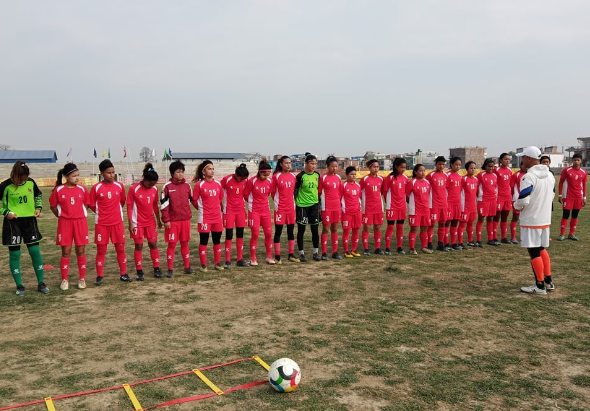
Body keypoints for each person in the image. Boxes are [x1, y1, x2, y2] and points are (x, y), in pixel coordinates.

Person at [0, 161, 48, 296]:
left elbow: (38, 195)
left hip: (29, 222)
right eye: (21, 178)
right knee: (15, 254)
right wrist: (6, 212)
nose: (24, 180)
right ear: (15, 175)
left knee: (35, 251)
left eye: (26, 177)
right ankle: (19, 285)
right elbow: (2, 207)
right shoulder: (5, 186)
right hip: (12, 223)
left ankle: (41, 283)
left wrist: (38, 208)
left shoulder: (31, 182)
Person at [513, 146, 555, 295]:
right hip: (544, 218)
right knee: (541, 248)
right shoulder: (550, 175)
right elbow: (552, 195)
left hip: (531, 219)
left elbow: (523, 200)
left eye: (524, 157)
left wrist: (515, 205)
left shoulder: (528, 177)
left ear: (529, 159)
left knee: (533, 251)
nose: (522, 160)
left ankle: (540, 285)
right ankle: (548, 281)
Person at [49, 163, 90, 290]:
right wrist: (61, 215)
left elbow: (87, 204)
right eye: (74, 176)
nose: (77, 178)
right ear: (66, 177)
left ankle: (82, 279)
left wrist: (79, 214)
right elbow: (53, 206)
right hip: (65, 223)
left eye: (78, 175)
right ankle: (64, 280)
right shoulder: (59, 190)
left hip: (80, 223)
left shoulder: (82, 189)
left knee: (80, 251)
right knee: (66, 252)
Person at [89, 159, 130, 285]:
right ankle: (99, 276)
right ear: (102, 173)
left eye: (113, 172)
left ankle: (123, 274)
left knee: (120, 248)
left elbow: (122, 201)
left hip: (117, 223)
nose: (112, 175)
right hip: (102, 224)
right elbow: (92, 205)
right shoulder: (96, 188)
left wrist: (114, 213)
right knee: (101, 250)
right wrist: (103, 213)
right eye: (108, 173)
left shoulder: (119, 186)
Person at [127, 163, 163, 281]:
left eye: (153, 184)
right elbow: (129, 207)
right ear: (144, 180)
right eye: (149, 184)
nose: (151, 186)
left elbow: (155, 205)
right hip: (137, 223)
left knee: (153, 244)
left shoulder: (154, 188)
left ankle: (156, 268)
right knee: (139, 245)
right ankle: (139, 271)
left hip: (150, 222)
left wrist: (158, 219)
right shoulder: (134, 189)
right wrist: (130, 223)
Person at [160, 160, 195, 278]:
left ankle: (187, 267)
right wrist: (166, 220)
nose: (181, 174)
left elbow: (190, 200)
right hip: (173, 222)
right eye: (178, 172)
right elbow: (164, 205)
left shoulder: (187, 186)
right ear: (172, 173)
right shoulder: (167, 187)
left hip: (185, 220)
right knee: (172, 244)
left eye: (182, 172)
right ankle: (170, 269)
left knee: (185, 243)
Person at [192, 160, 225, 272]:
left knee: (217, 240)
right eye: (209, 169)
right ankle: (203, 265)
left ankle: (217, 263)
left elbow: (220, 198)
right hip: (205, 218)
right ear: (203, 171)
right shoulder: (199, 185)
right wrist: (202, 210)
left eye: (213, 169)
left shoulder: (218, 184)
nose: (212, 171)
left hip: (217, 217)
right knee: (204, 241)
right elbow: (194, 201)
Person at [244, 160, 275, 265]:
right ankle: (253, 258)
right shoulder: (252, 181)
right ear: (261, 172)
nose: (267, 176)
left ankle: (269, 256)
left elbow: (268, 194)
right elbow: (246, 195)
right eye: (265, 174)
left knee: (268, 233)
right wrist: (253, 204)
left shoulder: (270, 181)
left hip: (266, 211)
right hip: (254, 211)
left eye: (268, 174)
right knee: (255, 234)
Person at [220, 163, 250, 268]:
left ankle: (240, 259)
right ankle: (227, 260)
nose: (242, 180)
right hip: (229, 211)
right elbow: (218, 190)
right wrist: (220, 204)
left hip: (241, 211)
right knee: (229, 234)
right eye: (240, 178)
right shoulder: (227, 179)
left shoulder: (245, 181)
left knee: (240, 234)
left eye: (244, 179)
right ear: (236, 175)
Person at [271, 156, 298, 263]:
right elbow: (273, 192)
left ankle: (291, 254)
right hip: (280, 208)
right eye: (286, 163)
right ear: (281, 164)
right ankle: (277, 256)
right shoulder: (276, 176)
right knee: (278, 231)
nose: (288, 165)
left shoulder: (293, 176)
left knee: (291, 231)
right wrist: (278, 204)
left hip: (291, 208)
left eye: (290, 163)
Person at [294, 153, 321, 262]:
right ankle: (301, 253)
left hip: (314, 205)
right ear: (306, 163)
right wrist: (296, 203)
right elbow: (295, 191)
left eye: (315, 164)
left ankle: (315, 253)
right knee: (301, 230)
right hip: (302, 206)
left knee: (315, 230)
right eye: (311, 163)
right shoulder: (300, 176)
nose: (313, 166)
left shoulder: (317, 175)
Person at [557, 153, 587, 241]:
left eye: (578, 160)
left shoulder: (584, 172)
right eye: (574, 160)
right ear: (572, 161)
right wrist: (560, 195)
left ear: (581, 161)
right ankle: (562, 234)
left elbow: (584, 185)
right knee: (565, 215)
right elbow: (561, 182)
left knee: (575, 215)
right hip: (568, 196)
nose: (576, 162)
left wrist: (584, 197)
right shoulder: (566, 170)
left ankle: (571, 234)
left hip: (578, 197)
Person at [382, 157, 408, 255]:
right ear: (396, 167)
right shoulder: (390, 178)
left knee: (400, 226)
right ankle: (387, 247)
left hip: (402, 206)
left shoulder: (405, 178)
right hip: (392, 206)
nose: (403, 169)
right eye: (401, 167)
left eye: (404, 167)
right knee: (390, 227)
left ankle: (399, 247)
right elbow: (385, 192)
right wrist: (388, 203)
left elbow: (406, 192)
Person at [318, 156, 342, 260]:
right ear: (327, 166)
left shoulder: (338, 178)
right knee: (326, 229)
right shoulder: (323, 178)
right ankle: (324, 253)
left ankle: (335, 252)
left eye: (336, 166)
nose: (334, 168)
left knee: (335, 229)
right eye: (332, 166)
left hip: (336, 207)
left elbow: (339, 192)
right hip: (326, 207)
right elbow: (319, 193)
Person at [360, 159, 385, 255]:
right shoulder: (364, 179)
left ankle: (377, 248)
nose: (376, 169)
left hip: (378, 207)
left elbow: (381, 192)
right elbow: (359, 191)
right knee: (367, 227)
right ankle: (366, 248)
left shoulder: (381, 179)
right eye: (374, 167)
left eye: (377, 167)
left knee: (377, 227)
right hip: (367, 208)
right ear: (370, 168)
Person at [406, 164, 432, 254]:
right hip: (415, 210)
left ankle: (424, 247)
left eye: (424, 170)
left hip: (426, 210)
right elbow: (406, 196)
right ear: (415, 172)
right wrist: (412, 204)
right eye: (421, 171)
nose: (423, 172)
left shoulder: (427, 182)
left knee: (425, 228)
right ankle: (412, 248)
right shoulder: (412, 182)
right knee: (414, 228)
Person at [426, 156, 449, 252]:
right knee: (431, 224)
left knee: (442, 223)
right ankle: (429, 243)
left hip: (443, 204)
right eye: (439, 164)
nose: (441, 166)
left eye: (443, 164)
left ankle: (440, 243)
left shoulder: (446, 175)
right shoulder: (430, 175)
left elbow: (446, 189)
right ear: (435, 164)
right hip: (433, 204)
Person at [475, 158, 499, 247]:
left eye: (492, 166)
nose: (491, 168)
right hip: (483, 200)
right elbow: (476, 187)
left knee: (490, 219)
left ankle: (490, 239)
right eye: (489, 166)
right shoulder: (480, 175)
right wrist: (479, 197)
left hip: (493, 200)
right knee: (481, 219)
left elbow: (495, 187)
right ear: (485, 166)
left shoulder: (495, 175)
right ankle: (478, 240)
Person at [340, 166, 362, 258]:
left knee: (356, 230)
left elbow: (359, 198)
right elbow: (339, 198)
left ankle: (354, 250)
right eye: (351, 174)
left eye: (354, 174)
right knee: (346, 231)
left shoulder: (358, 185)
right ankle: (346, 251)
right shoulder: (343, 185)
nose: (353, 176)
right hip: (347, 212)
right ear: (347, 175)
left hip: (357, 212)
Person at [494, 153, 514, 244]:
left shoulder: (510, 170)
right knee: (497, 217)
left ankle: (504, 237)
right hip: (499, 197)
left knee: (505, 217)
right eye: (505, 159)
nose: (507, 161)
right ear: (501, 160)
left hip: (507, 197)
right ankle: (494, 237)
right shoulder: (496, 170)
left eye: (508, 159)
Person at [458, 161, 479, 247]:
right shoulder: (463, 179)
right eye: (471, 168)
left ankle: (470, 241)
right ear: (467, 169)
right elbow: (459, 192)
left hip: (473, 206)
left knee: (471, 223)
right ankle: (460, 242)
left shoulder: (476, 179)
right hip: (465, 206)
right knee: (462, 224)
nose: (473, 170)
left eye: (474, 168)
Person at [445, 157, 463, 250]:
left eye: (459, 165)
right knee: (447, 223)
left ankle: (453, 243)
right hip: (449, 203)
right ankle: (445, 242)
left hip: (457, 203)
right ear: (451, 164)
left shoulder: (460, 176)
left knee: (455, 222)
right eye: (456, 164)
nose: (458, 166)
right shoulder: (447, 175)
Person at [509, 162, 527, 244]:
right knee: (515, 217)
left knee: (527, 217)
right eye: (524, 165)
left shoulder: (530, 175)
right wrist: (514, 198)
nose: (525, 167)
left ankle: (526, 236)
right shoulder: (516, 175)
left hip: (528, 199)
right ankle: (513, 236)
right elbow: (512, 187)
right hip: (517, 199)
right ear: (521, 166)